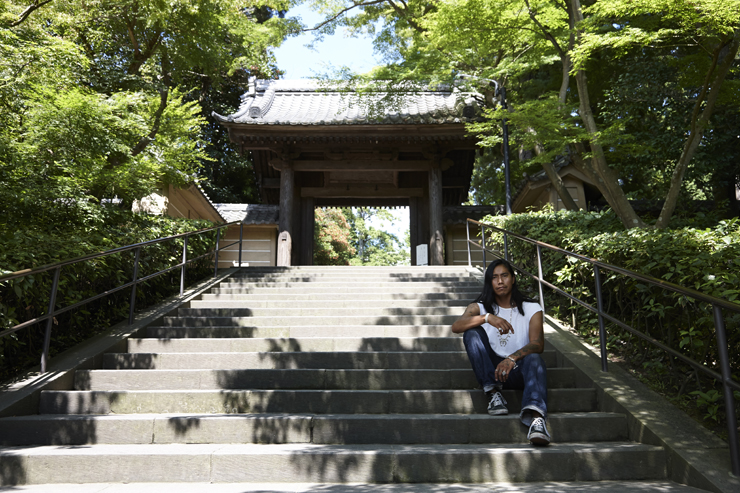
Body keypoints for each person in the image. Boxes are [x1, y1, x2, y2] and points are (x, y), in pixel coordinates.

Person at [451, 259, 550, 445]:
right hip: (491, 369)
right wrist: (487, 318)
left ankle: (537, 419)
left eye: (504, 275)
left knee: (535, 358)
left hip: (518, 368)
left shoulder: (531, 308)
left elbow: (538, 344)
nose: (500, 281)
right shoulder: (478, 307)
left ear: (513, 279)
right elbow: (456, 327)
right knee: (471, 333)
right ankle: (493, 393)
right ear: (489, 282)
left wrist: (512, 358)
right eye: (494, 277)